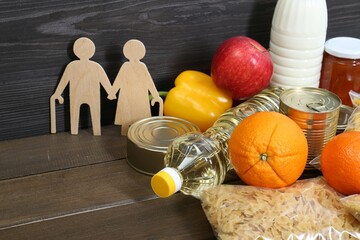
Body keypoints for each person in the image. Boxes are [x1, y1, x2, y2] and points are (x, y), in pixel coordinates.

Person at [50, 37, 116, 136]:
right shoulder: (87, 66)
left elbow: (104, 80)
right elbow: (64, 80)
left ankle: (92, 131)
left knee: (91, 112)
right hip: (79, 94)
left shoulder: (89, 66)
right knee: (76, 112)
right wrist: (111, 92)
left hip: (87, 95)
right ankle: (77, 131)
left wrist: (111, 92)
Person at [111, 39, 163, 135]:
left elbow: (149, 81)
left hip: (139, 94)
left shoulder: (141, 66)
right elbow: (119, 79)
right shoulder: (125, 66)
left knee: (141, 116)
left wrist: (155, 95)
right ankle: (125, 132)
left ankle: (139, 132)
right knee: (126, 116)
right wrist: (112, 92)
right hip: (127, 93)